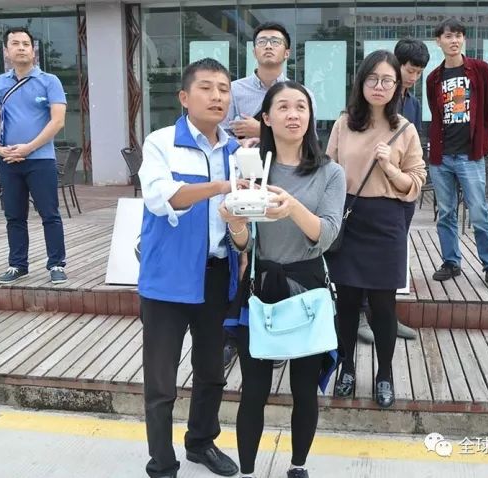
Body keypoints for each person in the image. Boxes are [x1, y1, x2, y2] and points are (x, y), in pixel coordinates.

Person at [221, 81, 345, 478]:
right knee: (253, 390)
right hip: (261, 285)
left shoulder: (330, 172)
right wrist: (236, 223)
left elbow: (326, 235)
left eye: (301, 107)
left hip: (308, 287)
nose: (293, 114)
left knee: (304, 390)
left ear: (310, 116)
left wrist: (291, 207)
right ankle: (247, 470)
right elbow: (244, 243)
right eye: (284, 107)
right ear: (267, 117)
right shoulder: (252, 166)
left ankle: (298, 466)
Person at [138, 58, 241, 478]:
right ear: (184, 97)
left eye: (224, 89)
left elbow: (243, 214)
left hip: (216, 274)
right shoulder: (161, 142)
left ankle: (200, 443)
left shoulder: (237, 152)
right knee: (161, 381)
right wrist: (220, 186)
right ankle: (162, 462)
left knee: (212, 371)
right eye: (206, 87)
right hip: (168, 277)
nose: (217, 96)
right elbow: (162, 197)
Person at [327, 50, 426, 408]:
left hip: (386, 221)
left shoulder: (405, 129)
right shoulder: (343, 123)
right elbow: (329, 171)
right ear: (361, 82)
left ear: (398, 86)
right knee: (347, 303)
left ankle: (384, 373)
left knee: (384, 306)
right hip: (349, 218)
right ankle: (347, 368)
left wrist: (390, 168)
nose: (379, 86)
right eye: (372, 79)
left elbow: (416, 182)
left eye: (387, 80)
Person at [222, 21, 316, 368]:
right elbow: (223, 135)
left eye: (276, 41)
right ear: (254, 50)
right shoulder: (234, 90)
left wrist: (260, 128)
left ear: (287, 52)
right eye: (262, 41)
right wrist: (249, 140)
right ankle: (235, 334)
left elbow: (305, 134)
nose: (269, 46)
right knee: (241, 256)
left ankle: (276, 335)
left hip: (284, 178)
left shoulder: (299, 92)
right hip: (243, 181)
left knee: (273, 257)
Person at [425, 18, 488, 291]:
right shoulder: (433, 78)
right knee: (446, 212)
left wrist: (482, 141)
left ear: (464, 39)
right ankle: (451, 262)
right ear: (438, 41)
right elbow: (436, 114)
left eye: (459, 35)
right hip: (442, 157)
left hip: (469, 156)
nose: (454, 40)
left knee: (480, 212)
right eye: (449, 36)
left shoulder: (480, 69)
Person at [357, 39, 430, 345]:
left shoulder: (412, 103)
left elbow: (413, 151)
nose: (413, 77)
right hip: (367, 195)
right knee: (361, 258)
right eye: (410, 70)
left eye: (419, 72)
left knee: (390, 260)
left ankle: (385, 315)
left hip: (401, 194)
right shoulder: (369, 102)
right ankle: (361, 315)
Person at [0, 27, 67, 285]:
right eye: (15, 43)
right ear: (6, 51)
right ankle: (17, 265)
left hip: (40, 159)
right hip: (9, 159)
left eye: (26, 44)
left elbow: (58, 121)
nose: (21, 48)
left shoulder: (49, 81)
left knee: (49, 214)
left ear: (34, 51)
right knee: (14, 215)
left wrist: (29, 147)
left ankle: (56, 264)